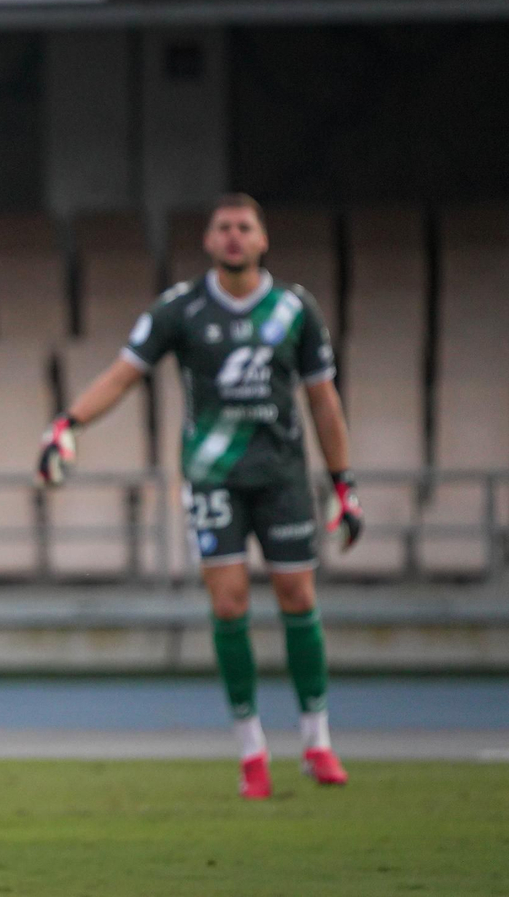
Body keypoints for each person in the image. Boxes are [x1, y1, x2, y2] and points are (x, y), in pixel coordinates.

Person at [37, 193, 363, 800]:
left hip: (284, 477)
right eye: (223, 228)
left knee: (297, 593)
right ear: (209, 241)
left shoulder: (295, 311)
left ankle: (317, 740)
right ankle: (251, 751)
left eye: (245, 227)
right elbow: (124, 372)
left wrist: (343, 485)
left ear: (263, 239)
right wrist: (69, 423)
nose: (234, 236)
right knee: (231, 603)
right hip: (213, 477)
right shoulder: (180, 309)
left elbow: (324, 400)